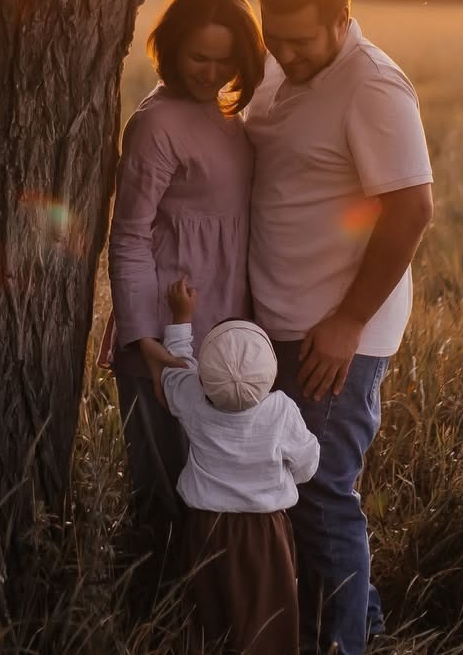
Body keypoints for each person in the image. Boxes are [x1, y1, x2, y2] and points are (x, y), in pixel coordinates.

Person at [245, 0, 435, 655]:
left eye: (300, 40)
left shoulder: (372, 85)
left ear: (341, 20)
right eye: (275, 36)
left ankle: (341, 645)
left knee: (321, 496)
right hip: (278, 324)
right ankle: (363, 623)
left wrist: (347, 321)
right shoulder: (280, 69)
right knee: (293, 490)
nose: (285, 52)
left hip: (334, 333)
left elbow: (411, 210)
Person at [107, 0, 264, 582]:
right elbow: (129, 236)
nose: (212, 70)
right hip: (165, 340)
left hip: (224, 329)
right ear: (172, 47)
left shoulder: (227, 112)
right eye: (200, 56)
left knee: (213, 484)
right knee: (163, 490)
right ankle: (148, 619)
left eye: (227, 58)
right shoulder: (157, 124)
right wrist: (141, 336)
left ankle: (206, 612)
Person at [161, 277, 320, 655]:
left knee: (209, 618)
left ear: (203, 378)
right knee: (267, 621)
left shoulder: (192, 399)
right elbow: (308, 464)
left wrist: (181, 319)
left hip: (206, 529)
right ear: (270, 373)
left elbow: (174, 369)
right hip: (265, 535)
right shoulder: (280, 409)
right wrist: (282, 476)